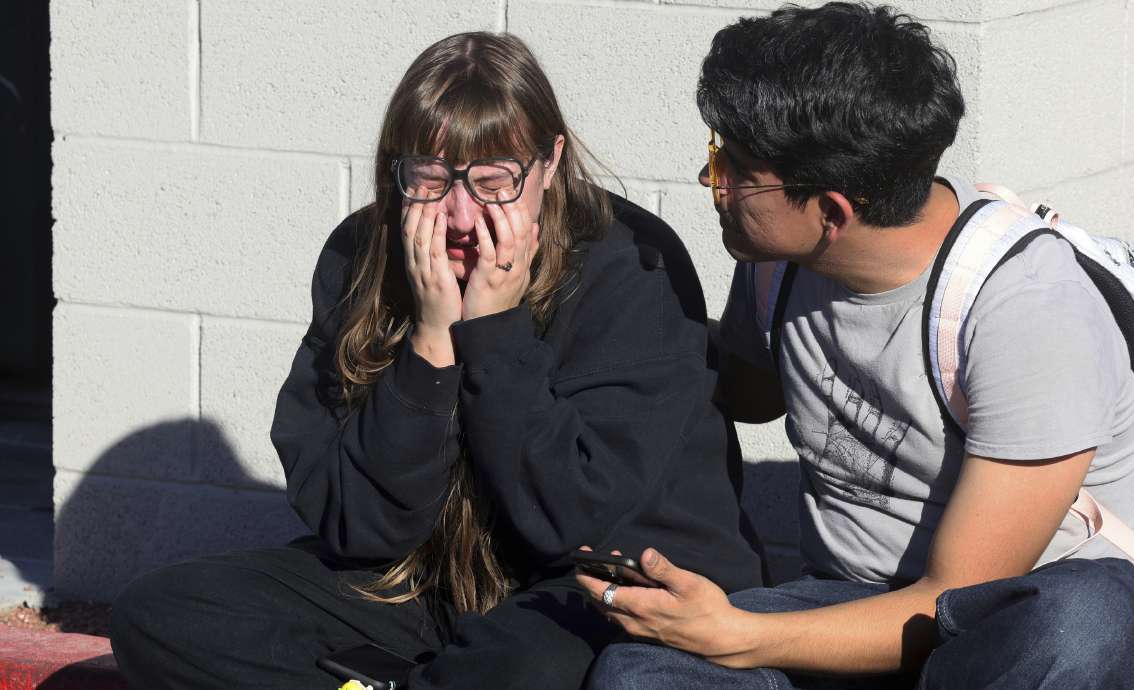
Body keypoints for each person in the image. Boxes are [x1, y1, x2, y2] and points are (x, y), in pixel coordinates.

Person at [108, 31, 761, 690]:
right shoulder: (362, 254)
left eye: (493, 180)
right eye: (428, 177)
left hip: (600, 587)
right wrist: (431, 342)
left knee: (523, 667)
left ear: (551, 161)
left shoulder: (632, 266)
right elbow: (358, 527)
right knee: (166, 615)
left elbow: (570, 519)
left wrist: (496, 329)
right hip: (430, 584)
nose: (458, 215)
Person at [579, 4, 1134, 688]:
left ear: (831, 212)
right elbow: (745, 390)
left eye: (733, 167)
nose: (713, 184)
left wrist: (737, 635)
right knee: (642, 673)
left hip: (1010, 621)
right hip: (844, 604)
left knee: (1086, 623)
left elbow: (951, 599)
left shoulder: (1027, 309)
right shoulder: (777, 261)